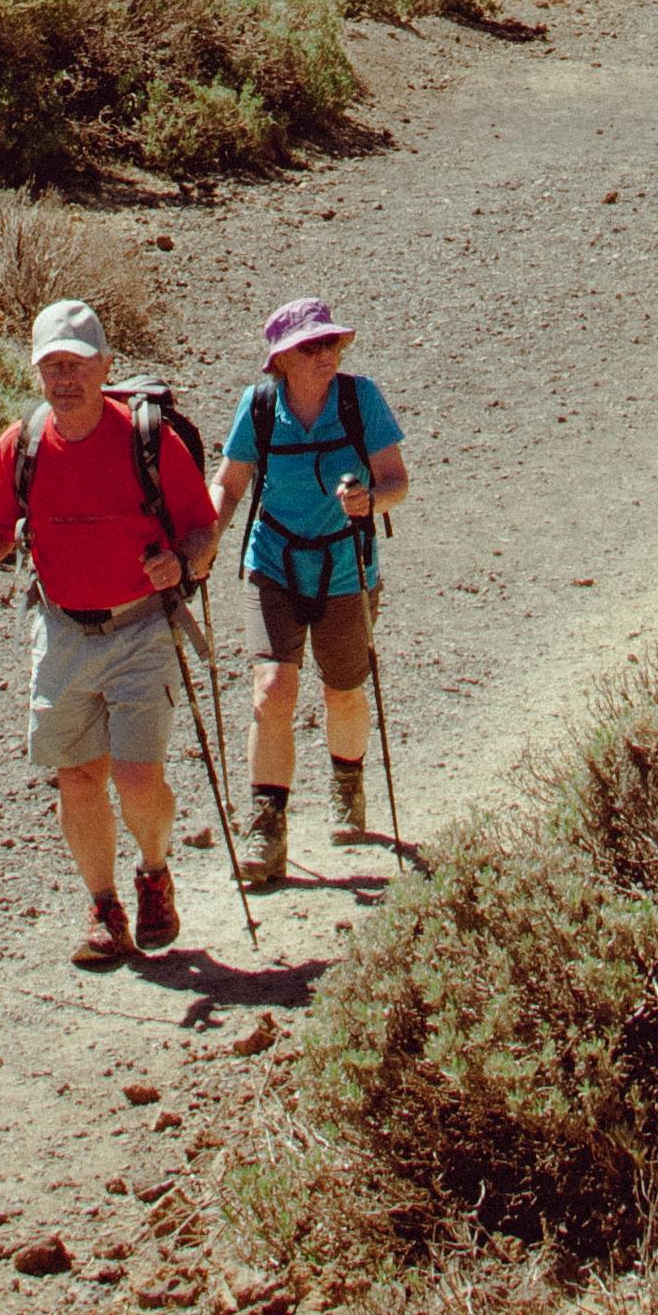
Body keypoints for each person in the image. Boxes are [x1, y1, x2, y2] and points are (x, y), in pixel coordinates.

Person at [0, 296, 219, 969]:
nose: (64, 379)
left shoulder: (148, 440)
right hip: (63, 629)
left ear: (105, 366)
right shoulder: (26, 442)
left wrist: (180, 563)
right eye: (51, 366)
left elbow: (203, 530)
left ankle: (154, 871)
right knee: (77, 778)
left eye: (76, 364)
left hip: (141, 628)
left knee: (135, 777)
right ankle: (105, 910)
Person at [210, 297, 408, 885]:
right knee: (272, 689)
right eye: (310, 346)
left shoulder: (359, 398)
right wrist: (204, 542)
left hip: (346, 565)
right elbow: (231, 483)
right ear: (282, 360)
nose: (325, 354)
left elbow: (396, 479)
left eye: (331, 343)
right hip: (273, 563)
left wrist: (371, 500)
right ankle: (267, 825)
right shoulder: (261, 405)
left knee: (343, 694)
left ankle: (347, 782)